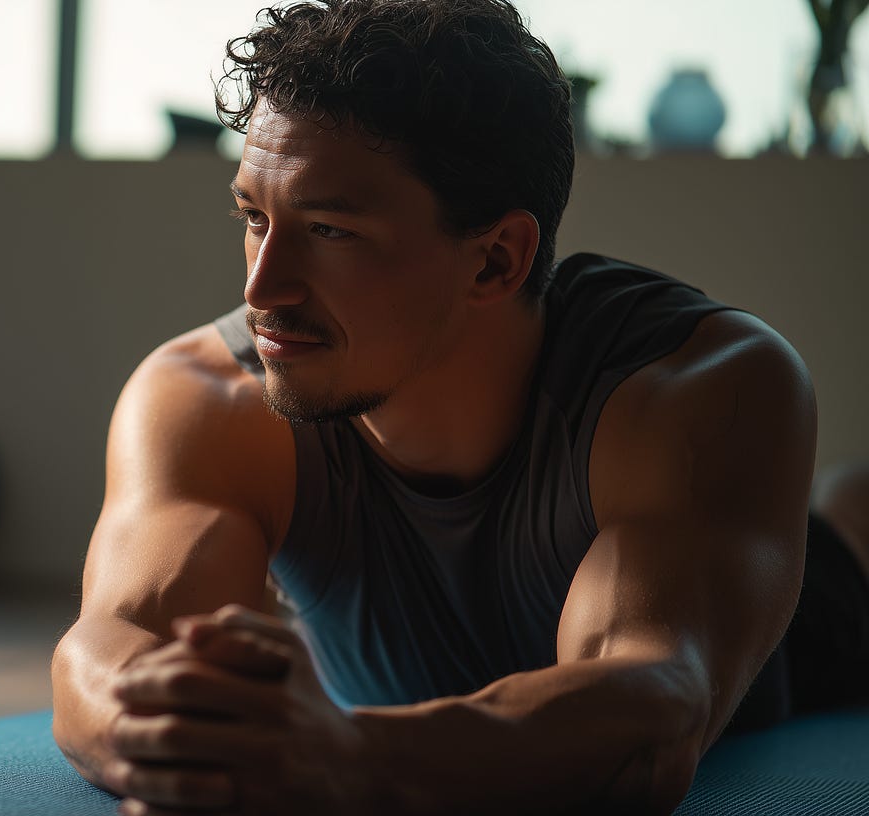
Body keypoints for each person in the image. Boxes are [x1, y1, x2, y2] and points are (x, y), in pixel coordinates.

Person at [50, 1, 867, 813]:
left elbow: (650, 709)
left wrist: (345, 757)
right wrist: (157, 740)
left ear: (495, 260)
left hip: (814, 636)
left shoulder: (690, 388)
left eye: (330, 230)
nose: (261, 288)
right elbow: (108, 648)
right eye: (254, 219)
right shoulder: (207, 394)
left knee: (854, 534)